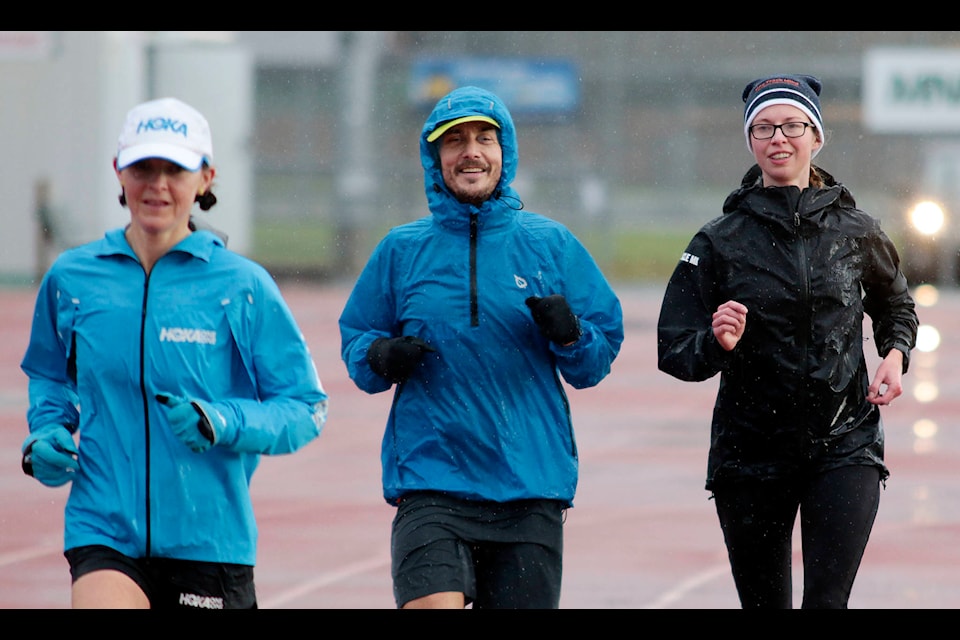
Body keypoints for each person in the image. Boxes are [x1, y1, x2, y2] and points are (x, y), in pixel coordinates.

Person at [19, 97, 329, 609]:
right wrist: (48, 430)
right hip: (103, 527)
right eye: (143, 167)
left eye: (174, 169)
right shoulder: (73, 279)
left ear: (205, 178)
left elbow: (304, 407)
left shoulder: (242, 285)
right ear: (119, 172)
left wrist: (223, 421)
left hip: (209, 540)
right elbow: (49, 374)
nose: (157, 185)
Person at [339, 86, 624, 609]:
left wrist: (570, 334)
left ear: (504, 151)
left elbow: (596, 359)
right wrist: (379, 357)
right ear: (436, 158)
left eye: (484, 138)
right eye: (455, 141)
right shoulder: (401, 250)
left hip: (529, 483)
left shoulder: (551, 244)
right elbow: (358, 341)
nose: (471, 151)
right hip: (431, 480)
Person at [657, 74, 919, 609]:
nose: (778, 137)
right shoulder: (719, 240)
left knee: (827, 601)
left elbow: (896, 305)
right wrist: (716, 343)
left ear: (816, 137)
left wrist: (894, 354)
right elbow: (674, 348)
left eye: (792, 125)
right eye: (763, 127)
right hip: (750, 452)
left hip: (845, 443)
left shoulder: (857, 230)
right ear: (750, 142)